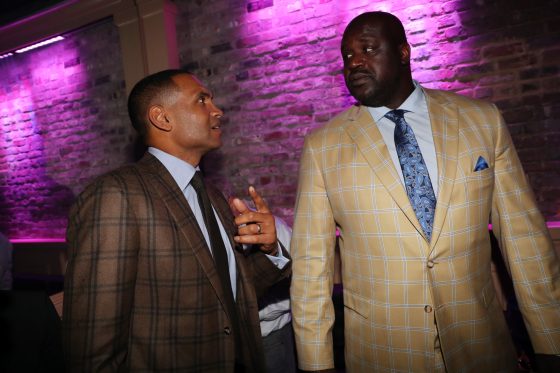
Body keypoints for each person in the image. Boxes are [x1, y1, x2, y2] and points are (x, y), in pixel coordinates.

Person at [290, 11, 560, 372]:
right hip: (382, 354)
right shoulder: (323, 147)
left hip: (482, 348)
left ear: (403, 52)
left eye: (368, 49)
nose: (354, 62)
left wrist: (551, 342)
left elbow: (525, 242)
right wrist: (315, 365)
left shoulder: (481, 121)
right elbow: (311, 269)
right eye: (347, 56)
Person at [63, 69, 291, 372]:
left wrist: (270, 250)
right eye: (202, 100)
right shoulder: (117, 195)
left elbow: (231, 295)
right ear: (162, 118)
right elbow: (94, 341)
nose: (217, 110)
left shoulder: (212, 195)